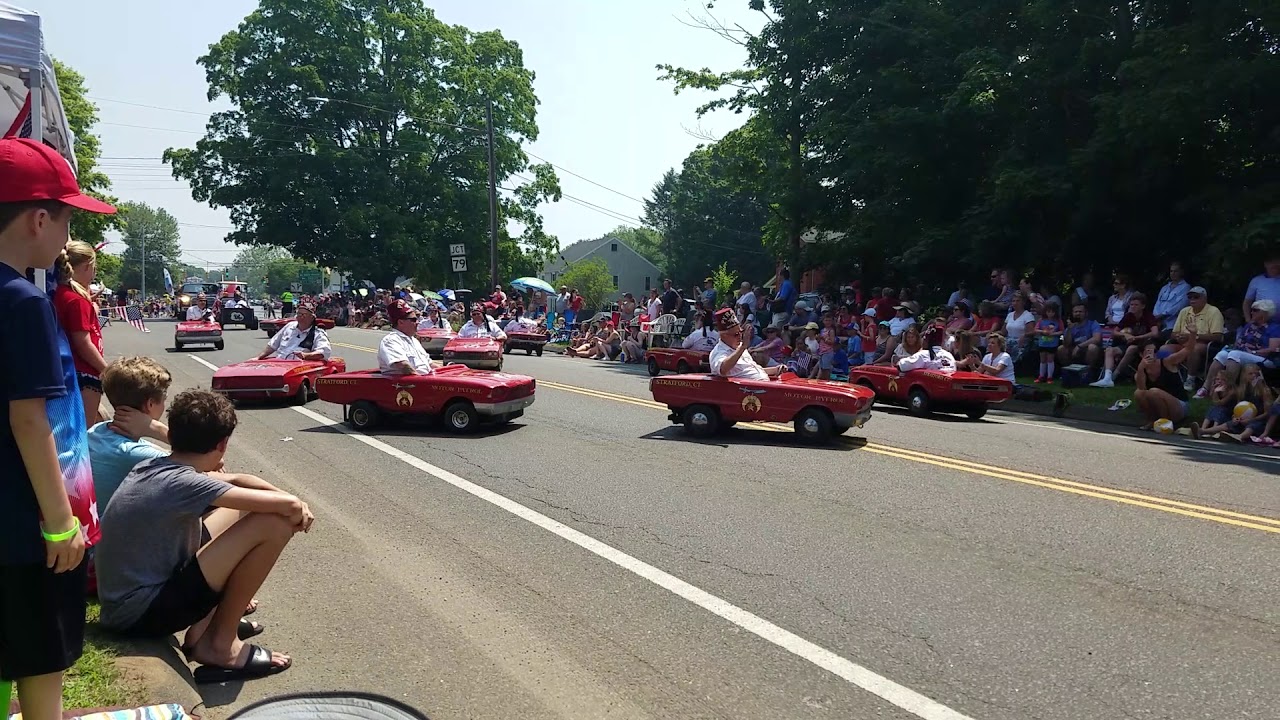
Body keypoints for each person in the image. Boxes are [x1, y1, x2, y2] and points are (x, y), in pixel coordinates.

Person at [0, 136, 117, 720]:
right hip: (21, 519)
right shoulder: (23, 301)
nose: (68, 237)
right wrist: (59, 524)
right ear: (38, 218)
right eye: (67, 218)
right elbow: (28, 419)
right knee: (39, 652)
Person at [95, 390, 311, 682]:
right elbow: (286, 508)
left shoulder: (158, 466)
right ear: (222, 445)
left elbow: (239, 480)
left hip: (125, 604)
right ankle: (220, 645)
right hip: (139, 614)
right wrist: (296, 506)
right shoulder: (186, 482)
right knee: (274, 523)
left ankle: (204, 630)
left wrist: (289, 501)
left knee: (243, 512)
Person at [53, 240, 108, 426]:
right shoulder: (77, 301)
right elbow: (83, 343)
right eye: (94, 268)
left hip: (69, 370)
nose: (94, 274)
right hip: (85, 374)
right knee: (82, 432)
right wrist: (106, 370)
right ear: (87, 266)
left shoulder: (62, 294)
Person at [709, 308, 783, 381]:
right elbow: (723, 369)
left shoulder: (740, 347)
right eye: (736, 334)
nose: (740, 336)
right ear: (724, 335)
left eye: (741, 332)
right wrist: (743, 347)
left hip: (762, 385)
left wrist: (775, 370)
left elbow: (748, 371)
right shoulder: (719, 352)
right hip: (747, 390)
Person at [1132, 342, 1191, 430]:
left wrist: (1193, 335)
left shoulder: (1167, 362)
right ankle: (1152, 421)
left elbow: (1188, 350)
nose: (1153, 354)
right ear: (1141, 354)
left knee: (1154, 392)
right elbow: (1142, 390)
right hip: (1157, 404)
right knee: (1138, 393)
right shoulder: (1140, 372)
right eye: (1148, 351)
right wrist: (1141, 367)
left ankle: (1166, 423)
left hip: (1179, 405)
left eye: (1155, 351)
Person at [378, 299, 434, 375]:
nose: (418, 322)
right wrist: (423, 382)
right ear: (401, 322)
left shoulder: (414, 340)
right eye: (413, 320)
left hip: (425, 380)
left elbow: (431, 365)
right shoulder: (391, 340)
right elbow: (403, 366)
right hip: (410, 384)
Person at [256, 304, 331, 361]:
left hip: (299, 367)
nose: (299, 316)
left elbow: (323, 352)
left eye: (303, 314)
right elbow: (272, 345)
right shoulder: (289, 326)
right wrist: (258, 358)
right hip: (279, 363)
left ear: (312, 317)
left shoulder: (318, 333)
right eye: (298, 314)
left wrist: (306, 355)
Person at [1032, 302, 1063, 383]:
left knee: (1050, 359)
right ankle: (1041, 376)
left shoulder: (1058, 321)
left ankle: (1049, 377)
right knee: (1042, 359)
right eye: (1048, 311)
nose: (1050, 314)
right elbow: (1035, 329)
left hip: (1052, 343)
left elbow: (1062, 331)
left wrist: (1054, 333)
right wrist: (1042, 331)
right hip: (1042, 343)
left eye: (1052, 312)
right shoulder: (1041, 320)